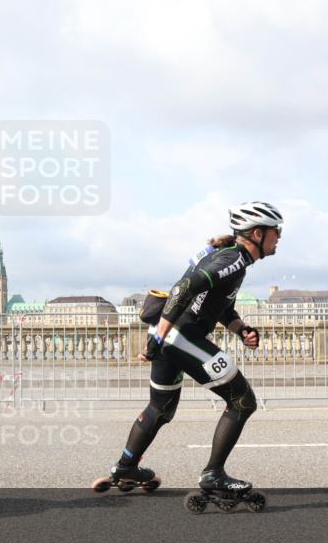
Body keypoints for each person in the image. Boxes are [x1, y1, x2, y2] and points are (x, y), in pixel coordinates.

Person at [95, 201, 283, 496]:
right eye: (276, 231)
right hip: (181, 337)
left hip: (173, 337)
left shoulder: (231, 259)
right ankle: (213, 475)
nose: (279, 237)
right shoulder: (233, 259)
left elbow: (222, 309)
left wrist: (241, 330)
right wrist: (160, 336)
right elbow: (184, 287)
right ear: (258, 233)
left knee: (161, 409)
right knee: (242, 401)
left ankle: (126, 467)